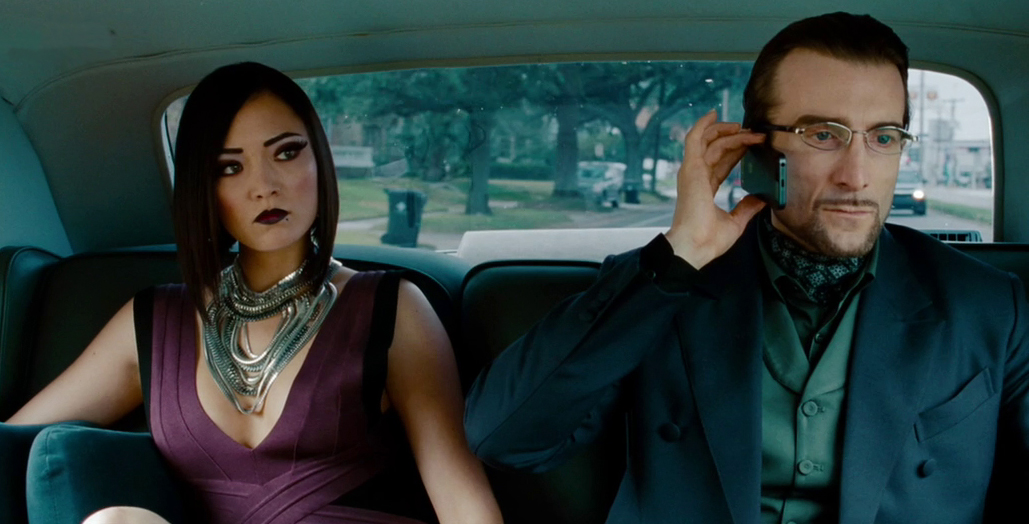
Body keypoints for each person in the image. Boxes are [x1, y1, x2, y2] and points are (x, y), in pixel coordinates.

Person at [464, 12, 1029, 523]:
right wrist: (680, 253)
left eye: (884, 137)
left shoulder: (987, 304)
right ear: (756, 149)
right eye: (823, 135)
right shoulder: (660, 286)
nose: (856, 175)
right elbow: (505, 438)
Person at [7, 62, 502, 524]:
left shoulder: (393, 309)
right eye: (230, 167)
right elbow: (12, 444)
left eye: (286, 152)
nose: (264, 186)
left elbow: (463, 502)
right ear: (203, 187)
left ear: (320, 159)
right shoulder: (155, 323)